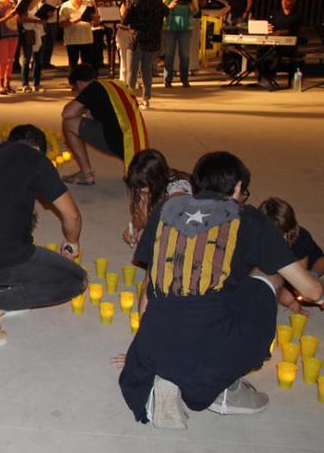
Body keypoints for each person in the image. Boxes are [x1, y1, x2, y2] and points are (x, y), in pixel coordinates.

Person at [118, 152, 324, 429]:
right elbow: (309, 289)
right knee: (266, 279)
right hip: (209, 353)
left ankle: (168, 373)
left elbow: (148, 289)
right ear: (238, 187)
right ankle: (225, 387)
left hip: (156, 343)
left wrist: (144, 348)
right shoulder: (247, 218)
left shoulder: (166, 210)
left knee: (191, 293)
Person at [0, 124, 86, 347]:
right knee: (75, 279)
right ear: (38, 148)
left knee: (4, 220)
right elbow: (72, 216)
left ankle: (0, 287)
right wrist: (72, 241)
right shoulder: (35, 159)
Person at [61, 64, 149, 185]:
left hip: (118, 142)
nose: (76, 93)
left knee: (68, 124)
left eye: (75, 89)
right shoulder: (112, 85)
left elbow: (67, 113)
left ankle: (86, 175)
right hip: (135, 140)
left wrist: (81, 106)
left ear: (79, 83)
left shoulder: (92, 89)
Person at [259, 197, 324, 312]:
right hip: (284, 266)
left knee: (289, 298)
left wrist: (297, 302)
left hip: (311, 263)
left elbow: (299, 284)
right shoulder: (258, 238)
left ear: (289, 232)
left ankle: (314, 277)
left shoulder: (300, 239)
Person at [122, 149, 192, 248]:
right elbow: (138, 217)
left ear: (156, 180)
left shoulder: (178, 191)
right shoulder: (145, 188)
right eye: (137, 186)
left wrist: (147, 217)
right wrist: (133, 229)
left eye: (143, 185)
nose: (140, 190)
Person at [123, 0, 170, 109]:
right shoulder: (157, 1)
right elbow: (167, 13)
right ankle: (146, 98)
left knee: (132, 71)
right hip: (152, 39)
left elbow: (125, 20)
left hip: (136, 39)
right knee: (147, 70)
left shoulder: (134, 1)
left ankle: (129, 100)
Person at [162, 0, 199, 88]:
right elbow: (162, 8)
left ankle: (184, 79)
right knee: (169, 53)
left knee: (185, 54)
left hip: (185, 26)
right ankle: (167, 79)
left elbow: (196, 11)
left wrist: (190, 5)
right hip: (171, 26)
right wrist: (170, 6)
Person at [258, 0, 303, 88]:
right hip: (274, 42)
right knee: (261, 50)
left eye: (287, 0)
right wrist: (268, 29)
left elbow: (291, 31)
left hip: (288, 45)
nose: (284, 3)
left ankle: (270, 75)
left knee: (274, 53)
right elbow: (271, 27)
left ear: (293, 1)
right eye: (283, 0)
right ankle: (263, 76)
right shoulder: (276, 14)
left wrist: (279, 32)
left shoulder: (297, 15)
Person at [18, 0, 46, 92]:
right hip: (28, 29)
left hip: (39, 29)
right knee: (27, 57)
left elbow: (43, 12)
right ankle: (25, 83)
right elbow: (20, 17)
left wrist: (47, 15)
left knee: (38, 58)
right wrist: (36, 21)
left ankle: (37, 83)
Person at [59, 0, 95, 72]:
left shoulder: (88, 4)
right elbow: (61, 24)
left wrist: (95, 19)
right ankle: (74, 82)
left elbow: (95, 20)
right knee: (73, 63)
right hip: (72, 40)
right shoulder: (65, 6)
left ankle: (86, 81)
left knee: (87, 64)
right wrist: (75, 20)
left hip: (86, 39)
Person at [0, 0, 20, 94]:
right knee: (3, 60)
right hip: (2, 34)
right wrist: (8, 17)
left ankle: (8, 83)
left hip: (14, 33)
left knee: (11, 60)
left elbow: (17, 19)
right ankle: (1, 84)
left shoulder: (14, 3)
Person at [36, 0, 62, 69]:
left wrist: (56, 8)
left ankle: (47, 61)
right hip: (43, 18)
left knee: (51, 41)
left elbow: (58, 2)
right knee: (42, 41)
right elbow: (38, 3)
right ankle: (39, 61)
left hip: (53, 18)